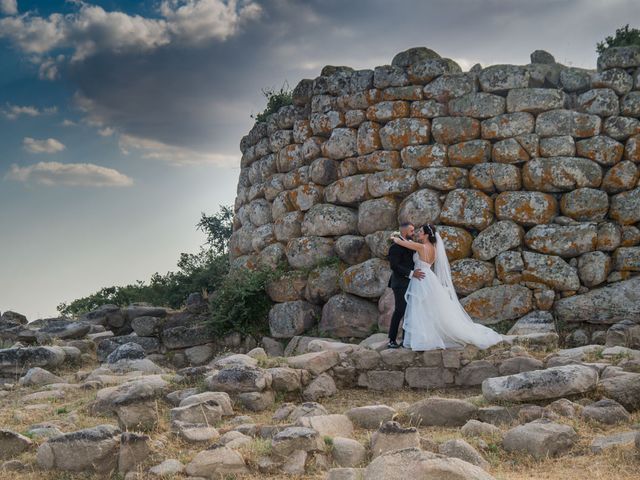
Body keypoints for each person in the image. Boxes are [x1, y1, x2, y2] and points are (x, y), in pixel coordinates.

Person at [391, 224, 504, 351]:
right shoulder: (433, 248)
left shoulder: (421, 247)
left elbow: (401, 243)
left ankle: (422, 337)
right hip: (428, 277)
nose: (418, 233)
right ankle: (422, 336)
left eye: (421, 231)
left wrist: (394, 237)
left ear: (427, 235)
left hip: (420, 278)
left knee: (419, 307)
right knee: (427, 308)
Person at [386, 222, 425, 349]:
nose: (413, 233)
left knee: (409, 311)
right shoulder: (395, 247)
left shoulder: (410, 245)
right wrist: (412, 273)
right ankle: (391, 339)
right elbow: (394, 266)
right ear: (404, 231)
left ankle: (405, 339)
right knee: (400, 310)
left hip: (412, 282)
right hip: (400, 283)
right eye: (412, 231)